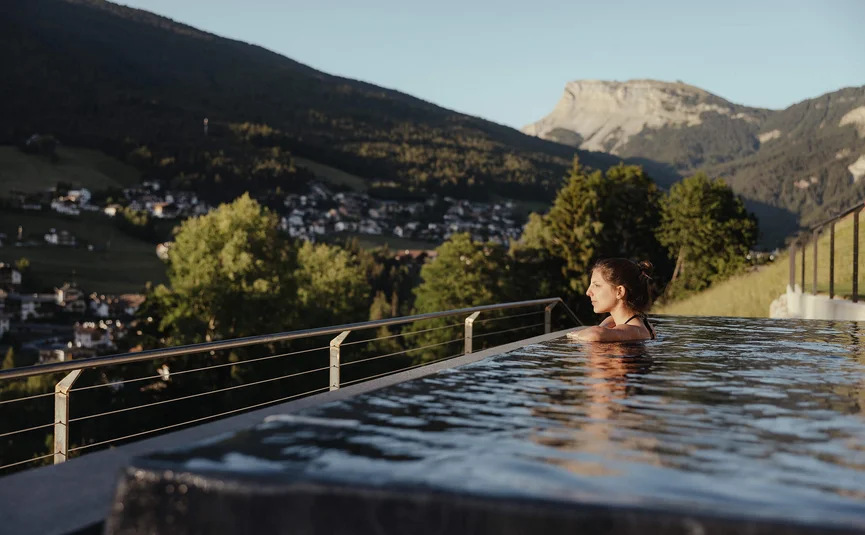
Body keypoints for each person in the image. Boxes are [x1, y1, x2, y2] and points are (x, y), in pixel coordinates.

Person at [568, 258, 656, 342]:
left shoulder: (635, 330)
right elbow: (603, 327)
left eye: (597, 285)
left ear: (619, 291)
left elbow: (595, 334)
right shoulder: (623, 321)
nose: (588, 292)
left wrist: (574, 335)